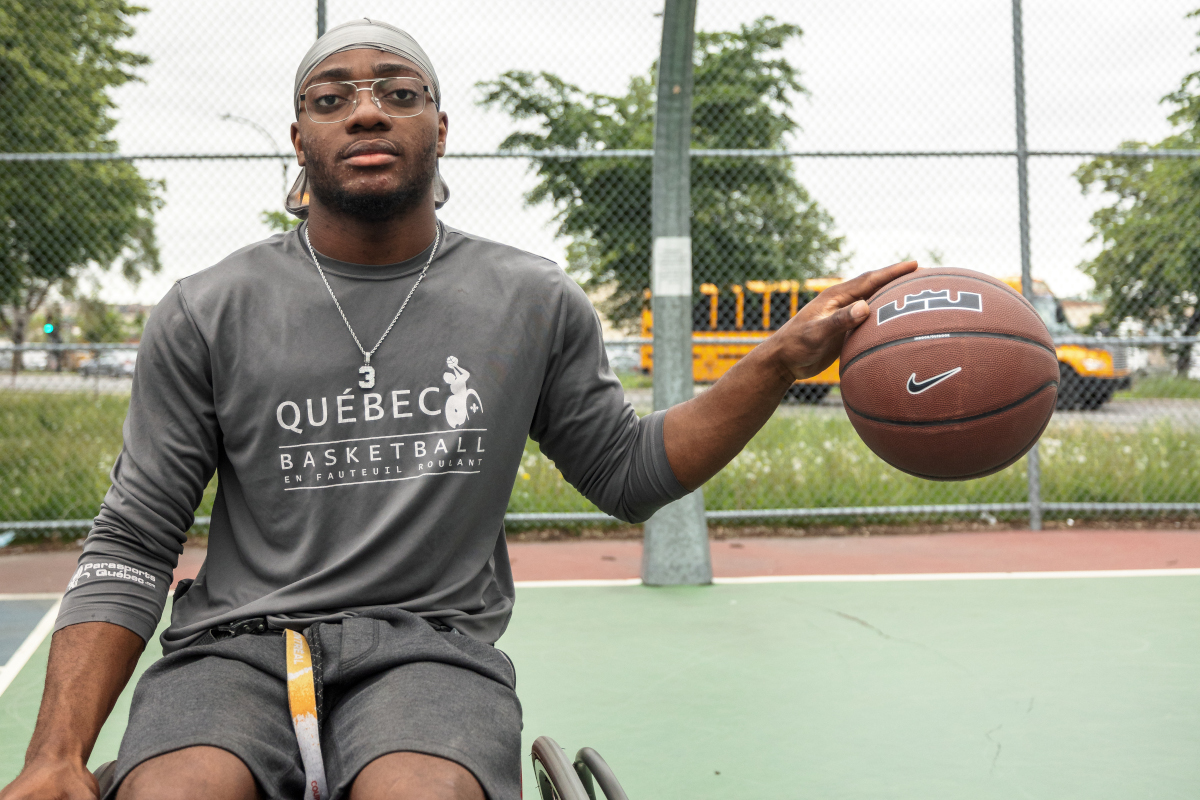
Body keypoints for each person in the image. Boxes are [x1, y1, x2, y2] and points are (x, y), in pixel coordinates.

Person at [1, 19, 915, 800]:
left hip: (428, 648)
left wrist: (776, 361)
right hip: (235, 647)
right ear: (299, 139)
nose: (366, 111)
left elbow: (629, 475)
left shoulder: (530, 297)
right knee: (179, 790)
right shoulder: (208, 307)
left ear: (439, 129)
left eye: (398, 93)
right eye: (332, 98)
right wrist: (54, 756)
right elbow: (133, 540)